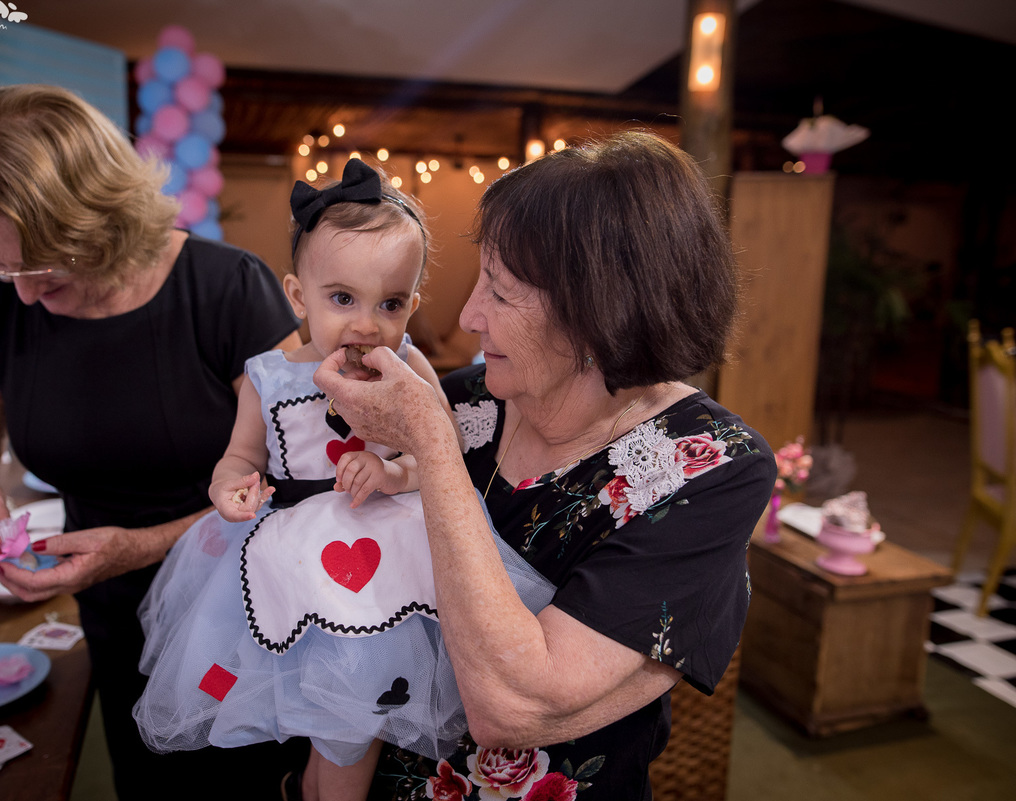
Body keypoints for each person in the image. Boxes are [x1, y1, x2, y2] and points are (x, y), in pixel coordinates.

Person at [312, 132, 777, 801]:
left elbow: (508, 708)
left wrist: (434, 450)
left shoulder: (710, 467)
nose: (470, 314)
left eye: (499, 293)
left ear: (598, 314)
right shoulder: (473, 396)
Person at [0, 84, 304, 799]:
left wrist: (142, 546)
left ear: (102, 217)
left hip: (248, 613)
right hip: (112, 613)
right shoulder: (2, 293)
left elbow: (301, 486)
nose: (21, 295)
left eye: (42, 265)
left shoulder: (227, 292)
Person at [134, 159, 555, 801]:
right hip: (293, 555)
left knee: (354, 719)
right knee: (308, 713)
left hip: (391, 554)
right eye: (341, 300)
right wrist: (230, 487)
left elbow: (438, 459)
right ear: (298, 297)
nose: (365, 324)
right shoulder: (269, 378)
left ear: (413, 304)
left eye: (389, 304)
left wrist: (391, 470)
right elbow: (240, 456)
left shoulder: (410, 366)